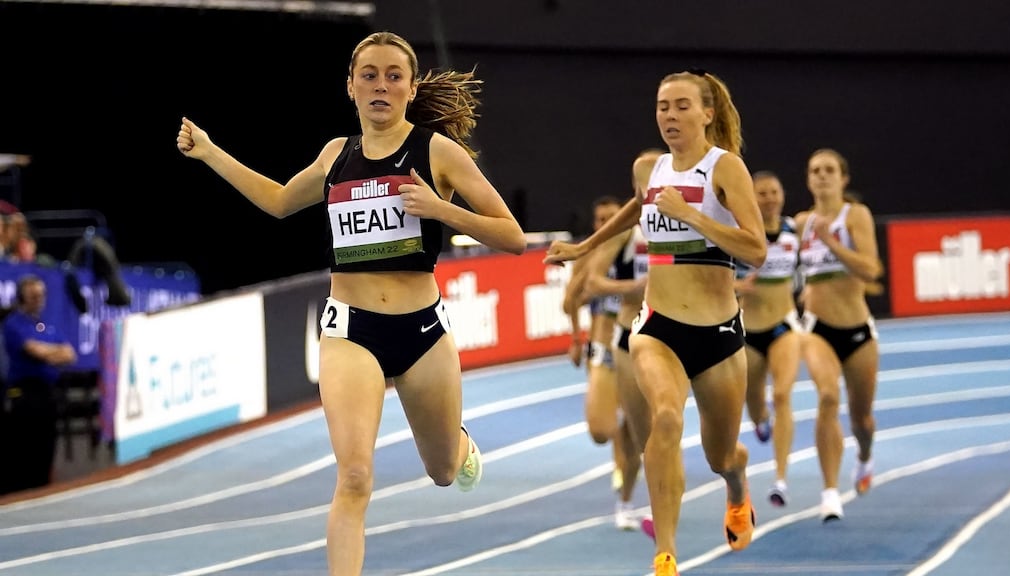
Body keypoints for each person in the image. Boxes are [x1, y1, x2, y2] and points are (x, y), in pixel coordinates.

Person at [176, 31, 526, 576]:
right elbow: (277, 201)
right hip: (350, 332)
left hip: (423, 333)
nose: (380, 85)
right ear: (350, 87)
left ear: (410, 89)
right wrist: (210, 152)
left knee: (439, 471)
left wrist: (439, 209)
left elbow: (513, 237)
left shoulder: (437, 153)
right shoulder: (336, 155)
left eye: (393, 76)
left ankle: (457, 445)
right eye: (369, 75)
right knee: (355, 476)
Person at [545, 70, 766, 576]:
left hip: (717, 334)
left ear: (707, 113)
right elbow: (634, 211)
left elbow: (756, 249)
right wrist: (583, 247)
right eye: (663, 106)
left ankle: (736, 485)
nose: (670, 115)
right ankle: (665, 554)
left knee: (719, 455)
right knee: (665, 416)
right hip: (658, 325)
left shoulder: (725, 170)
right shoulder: (650, 168)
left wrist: (694, 219)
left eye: (682, 106)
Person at [577, 150, 664, 533]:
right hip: (620, 338)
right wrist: (634, 288)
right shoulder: (627, 231)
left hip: (670, 340)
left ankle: (640, 503)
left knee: (654, 432)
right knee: (607, 430)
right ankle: (634, 501)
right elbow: (589, 285)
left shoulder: (692, 223)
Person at [794, 148, 882, 522]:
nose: (822, 175)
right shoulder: (799, 223)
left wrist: (831, 242)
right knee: (827, 397)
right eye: (815, 170)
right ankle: (830, 492)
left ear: (843, 179)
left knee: (862, 419)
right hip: (816, 328)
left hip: (858, 330)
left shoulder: (855, 215)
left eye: (830, 169)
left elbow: (871, 269)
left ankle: (863, 458)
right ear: (808, 179)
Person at [560, 194, 643, 530]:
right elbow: (570, 304)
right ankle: (620, 425)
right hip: (602, 349)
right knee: (600, 430)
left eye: (614, 216)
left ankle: (625, 503)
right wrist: (576, 337)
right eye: (601, 219)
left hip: (634, 345)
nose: (608, 223)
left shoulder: (638, 246)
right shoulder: (589, 254)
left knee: (635, 437)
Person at [733, 170, 803, 507]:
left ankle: (780, 479)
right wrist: (738, 286)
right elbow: (713, 277)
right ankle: (760, 421)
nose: (769, 198)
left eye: (774, 192)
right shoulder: (740, 235)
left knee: (784, 394)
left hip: (784, 324)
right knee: (754, 400)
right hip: (748, 331)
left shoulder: (796, 228)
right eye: (761, 193)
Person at [1, 274, 78, 495]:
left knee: (47, 444)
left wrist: (49, 352)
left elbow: (70, 354)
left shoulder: (46, 325)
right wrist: (53, 352)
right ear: (22, 298)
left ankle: (42, 488)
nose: (39, 300)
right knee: (25, 446)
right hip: (24, 393)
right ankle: (20, 492)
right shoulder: (14, 324)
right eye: (33, 296)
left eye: (41, 295)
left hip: (47, 393)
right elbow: (35, 351)